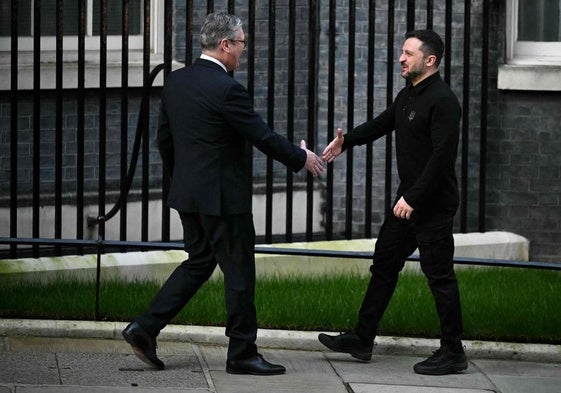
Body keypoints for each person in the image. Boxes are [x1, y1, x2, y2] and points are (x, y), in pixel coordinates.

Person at [122, 11, 324, 376]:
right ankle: (242, 353)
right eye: (242, 43)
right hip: (223, 199)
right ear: (226, 44)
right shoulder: (228, 89)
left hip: (188, 195)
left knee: (199, 261)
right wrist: (302, 157)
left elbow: (164, 141)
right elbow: (260, 134)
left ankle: (145, 327)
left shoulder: (177, 82)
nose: (243, 51)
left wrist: (183, 180)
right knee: (239, 272)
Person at [319, 29, 467, 376]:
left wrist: (413, 198)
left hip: (431, 205)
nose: (401, 58)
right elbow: (382, 124)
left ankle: (453, 351)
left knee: (439, 277)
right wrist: (347, 141)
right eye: (402, 52)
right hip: (407, 203)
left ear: (429, 61)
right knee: (384, 265)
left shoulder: (443, 101)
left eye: (409, 53)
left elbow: (442, 157)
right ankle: (362, 339)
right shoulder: (407, 95)